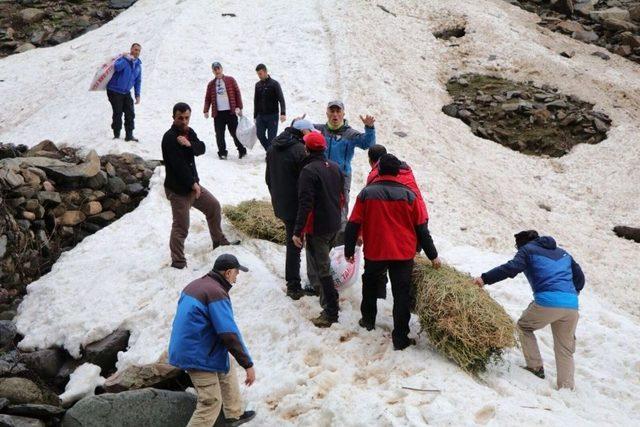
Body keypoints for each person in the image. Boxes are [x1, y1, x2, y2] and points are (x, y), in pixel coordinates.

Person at [345, 154, 441, 350]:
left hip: (376, 251)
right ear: (398, 172)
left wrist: (349, 249)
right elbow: (422, 229)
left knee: (370, 285)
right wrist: (433, 255)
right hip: (402, 254)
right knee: (401, 295)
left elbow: (353, 223)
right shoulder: (410, 195)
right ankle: (400, 338)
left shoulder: (366, 194)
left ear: (379, 170)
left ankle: (368, 320)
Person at [473, 230, 584, 390]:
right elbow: (580, 278)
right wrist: (572, 292)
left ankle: (535, 367)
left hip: (548, 302)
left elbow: (511, 268)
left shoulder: (527, 250)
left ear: (521, 244)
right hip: (572, 305)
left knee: (524, 326)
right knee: (564, 348)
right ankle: (566, 388)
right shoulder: (563, 253)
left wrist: (484, 278)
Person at [168, 254, 256, 427]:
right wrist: (248, 365)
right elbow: (229, 334)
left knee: (227, 363)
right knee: (211, 401)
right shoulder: (216, 293)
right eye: (236, 273)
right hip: (196, 354)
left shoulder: (197, 285)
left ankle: (234, 414)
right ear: (228, 272)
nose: (236, 277)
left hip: (190, 346)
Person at [162, 102, 239, 269]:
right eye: (180, 118)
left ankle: (219, 241)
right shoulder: (169, 138)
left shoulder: (189, 133)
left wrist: (190, 144)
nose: (184, 121)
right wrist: (192, 183)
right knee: (181, 227)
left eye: (186, 118)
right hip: (178, 190)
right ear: (173, 117)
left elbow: (201, 148)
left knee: (213, 207)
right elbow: (178, 166)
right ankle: (178, 262)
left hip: (192, 186)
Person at [364, 145, 431, 299]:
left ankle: (379, 295)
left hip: (398, 222)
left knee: (380, 258)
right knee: (406, 265)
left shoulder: (375, 175)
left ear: (370, 160)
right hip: (419, 218)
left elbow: (371, 205)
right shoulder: (406, 170)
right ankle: (407, 302)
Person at [292, 132, 343, 328]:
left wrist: (298, 231)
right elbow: (340, 197)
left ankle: (331, 311)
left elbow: (305, 204)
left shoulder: (309, 171)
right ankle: (331, 299)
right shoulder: (335, 167)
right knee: (323, 265)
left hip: (318, 228)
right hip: (334, 225)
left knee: (322, 269)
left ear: (307, 149)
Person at [265, 119, 315, 300]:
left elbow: (268, 178)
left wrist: (277, 197)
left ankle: (294, 282)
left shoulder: (272, 147)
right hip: (298, 205)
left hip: (282, 203)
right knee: (297, 243)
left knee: (292, 241)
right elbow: (306, 181)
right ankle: (294, 285)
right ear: (303, 132)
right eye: (311, 132)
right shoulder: (300, 150)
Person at [314, 101, 376, 235]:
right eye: (332, 111)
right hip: (321, 175)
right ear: (327, 113)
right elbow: (301, 129)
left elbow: (367, 144)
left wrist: (369, 128)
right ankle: (320, 234)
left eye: (338, 111)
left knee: (341, 207)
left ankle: (340, 238)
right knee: (318, 203)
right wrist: (296, 123)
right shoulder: (319, 130)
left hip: (342, 177)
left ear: (343, 114)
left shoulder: (350, 134)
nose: (335, 115)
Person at [203, 62, 246, 159]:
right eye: (215, 69)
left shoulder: (230, 80)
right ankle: (222, 152)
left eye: (218, 68)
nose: (217, 71)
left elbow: (237, 93)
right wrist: (206, 110)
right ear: (213, 71)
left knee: (235, 133)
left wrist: (239, 107)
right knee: (219, 134)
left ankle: (241, 150)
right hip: (218, 114)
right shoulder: (211, 84)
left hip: (231, 112)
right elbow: (207, 98)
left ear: (222, 69)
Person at [107, 43, 142, 141]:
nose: (137, 52)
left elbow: (138, 81)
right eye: (135, 49)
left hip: (126, 92)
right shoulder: (124, 59)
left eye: (138, 50)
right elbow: (117, 67)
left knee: (130, 113)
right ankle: (116, 135)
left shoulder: (138, 65)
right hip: (114, 90)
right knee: (118, 113)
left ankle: (129, 135)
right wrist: (126, 59)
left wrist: (137, 94)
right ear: (131, 49)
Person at [254, 64, 286, 151]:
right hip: (260, 116)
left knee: (272, 138)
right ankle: (270, 151)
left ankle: (270, 154)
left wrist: (283, 113)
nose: (259, 76)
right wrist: (255, 116)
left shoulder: (274, 84)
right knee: (259, 134)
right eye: (258, 74)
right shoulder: (257, 85)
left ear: (265, 72)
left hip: (273, 116)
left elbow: (281, 99)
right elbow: (256, 101)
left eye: (260, 73)